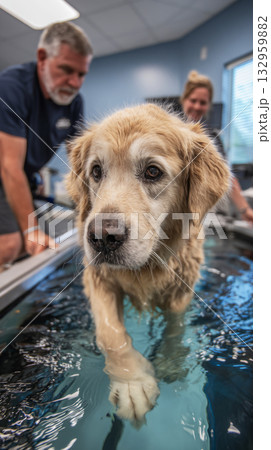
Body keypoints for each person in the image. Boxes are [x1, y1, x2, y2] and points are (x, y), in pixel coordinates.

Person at [0, 22, 93, 268]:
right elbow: (9, 167)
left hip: (25, 174)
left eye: (81, 74)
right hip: (5, 172)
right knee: (10, 245)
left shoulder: (73, 103)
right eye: (66, 69)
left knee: (28, 245)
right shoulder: (12, 88)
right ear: (42, 58)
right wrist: (30, 231)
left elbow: (80, 163)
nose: (74, 82)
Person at [180, 70, 253, 224]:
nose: (197, 106)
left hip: (203, 217)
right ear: (184, 100)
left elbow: (228, 177)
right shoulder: (170, 134)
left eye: (203, 102)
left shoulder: (212, 137)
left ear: (208, 105)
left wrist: (245, 210)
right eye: (193, 100)